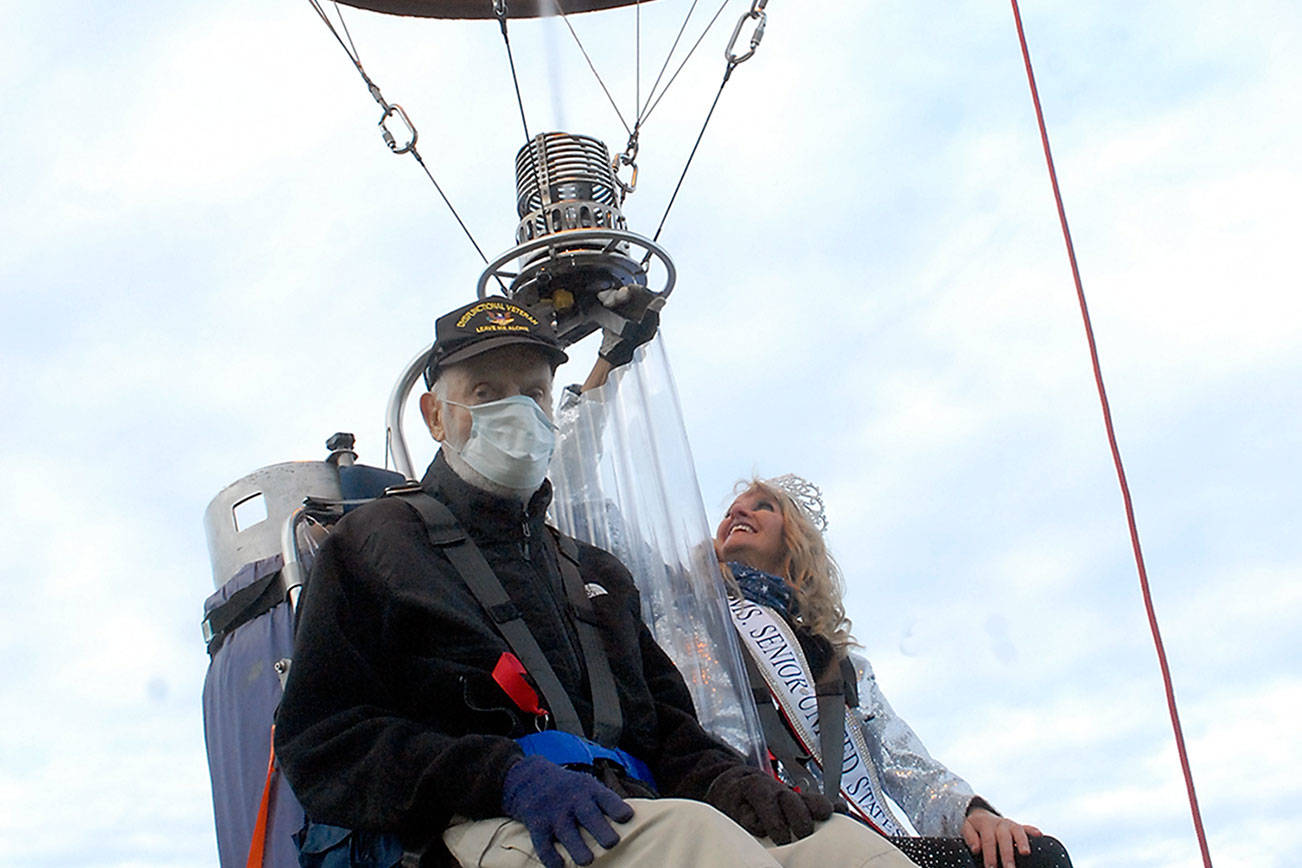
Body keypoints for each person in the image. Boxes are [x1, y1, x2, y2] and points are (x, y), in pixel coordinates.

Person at [274, 297, 920, 868]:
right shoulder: (374, 544)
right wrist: (503, 777)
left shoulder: (595, 573)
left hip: (632, 808)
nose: (516, 411)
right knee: (696, 843)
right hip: (477, 822)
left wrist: (733, 784)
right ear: (436, 417)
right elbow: (325, 740)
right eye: (485, 392)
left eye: (532, 392)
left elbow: (668, 732)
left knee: (851, 850)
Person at [713, 476, 1074, 868]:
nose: (739, 511)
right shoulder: (694, 624)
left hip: (860, 836)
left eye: (763, 505)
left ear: (795, 544)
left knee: (1033, 857)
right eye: (731, 510)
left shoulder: (839, 665)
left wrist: (973, 814)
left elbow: (902, 758)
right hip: (765, 830)